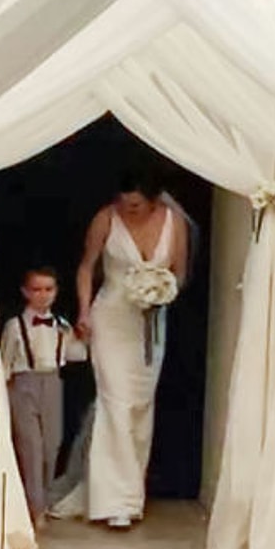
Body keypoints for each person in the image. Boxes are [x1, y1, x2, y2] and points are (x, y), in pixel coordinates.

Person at [74, 171, 189, 529]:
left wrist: (161, 292)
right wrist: (83, 312)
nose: (129, 210)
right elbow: (86, 267)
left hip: (149, 324)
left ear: (153, 200)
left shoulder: (173, 221)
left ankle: (131, 494)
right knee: (116, 403)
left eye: (136, 204)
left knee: (140, 406)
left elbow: (179, 273)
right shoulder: (106, 218)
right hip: (111, 320)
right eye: (124, 203)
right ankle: (113, 502)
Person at [0, 264, 83, 528]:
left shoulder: (60, 325)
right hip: (24, 383)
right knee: (31, 447)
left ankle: (42, 500)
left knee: (51, 445)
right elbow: (5, 362)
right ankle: (34, 508)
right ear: (26, 292)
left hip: (52, 382)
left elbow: (76, 354)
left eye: (48, 289)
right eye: (36, 290)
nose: (43, 295)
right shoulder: (15, 326)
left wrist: (82, 336)